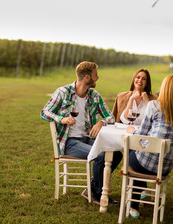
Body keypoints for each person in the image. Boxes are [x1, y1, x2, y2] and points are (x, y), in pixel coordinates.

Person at [40, 61, 122, 205]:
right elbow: (44, 112)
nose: (97, 78)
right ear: (87, 77)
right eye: (95, 75)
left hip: (87, 138)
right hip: (70, 142)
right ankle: (97, 193)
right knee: (100, 155)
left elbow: (110, 117)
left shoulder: (94, 95)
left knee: (116, 154)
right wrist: (62, 118)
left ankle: (91, 188)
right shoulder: (63, 92)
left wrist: (101, 122)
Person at [126, 74, 173, 218]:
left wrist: (132, 130)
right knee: (139, 156)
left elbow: (142, 133)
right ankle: (141, 193)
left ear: (164, 88)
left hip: (144, 163)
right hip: (164, 168)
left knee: (133, 152)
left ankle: (134, 204)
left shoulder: (154, 105)